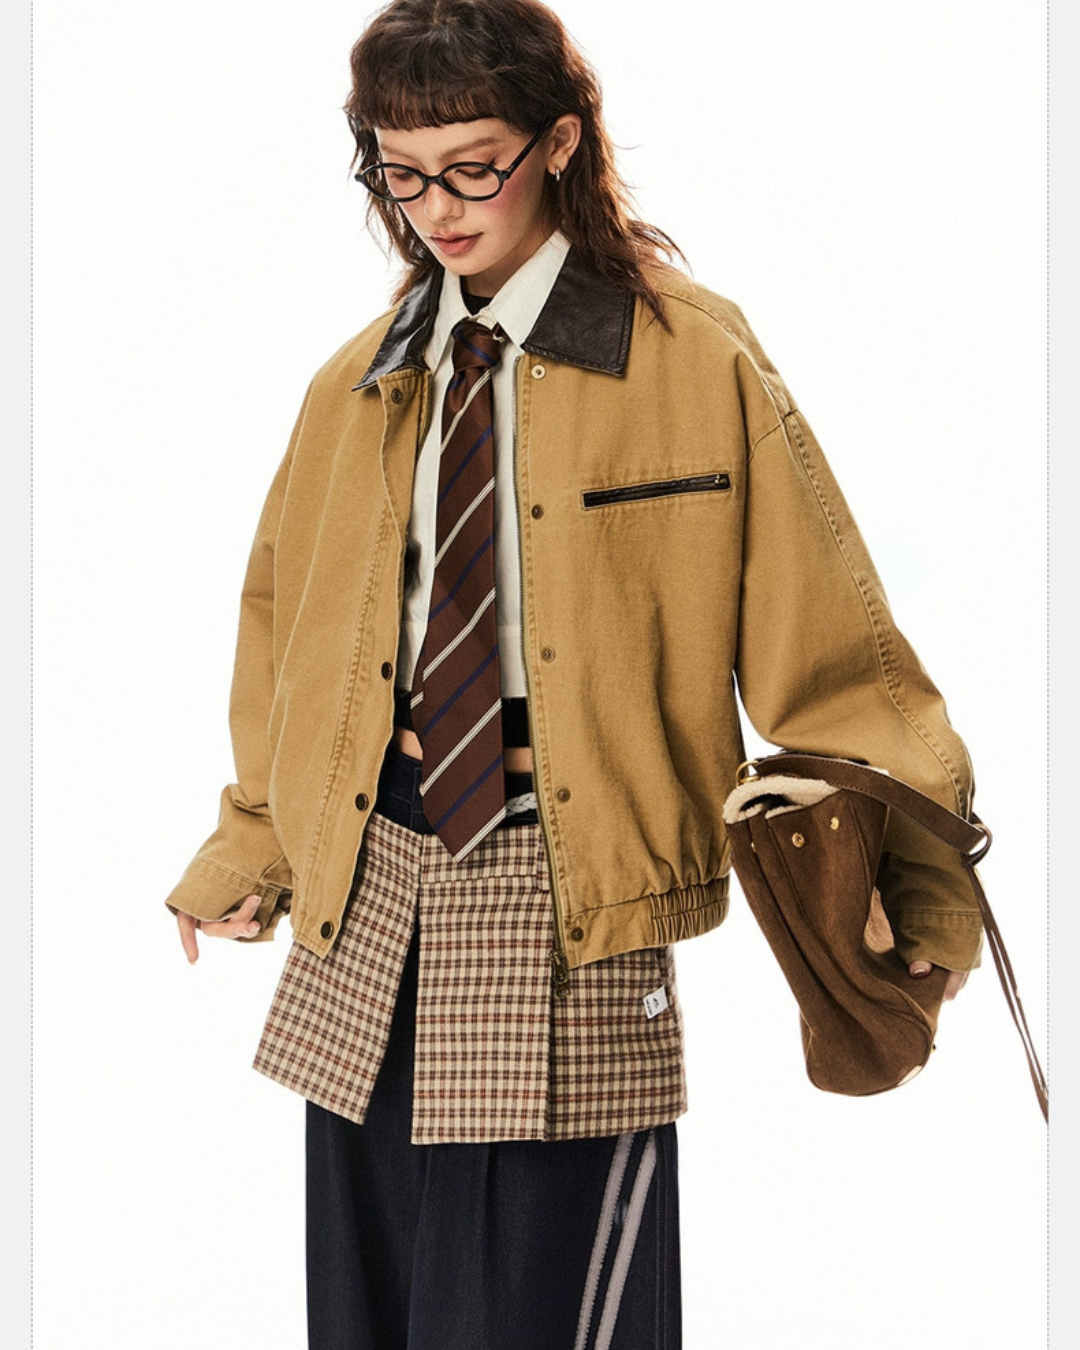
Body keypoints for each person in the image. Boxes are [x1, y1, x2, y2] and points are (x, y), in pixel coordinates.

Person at [165, 1, 981, 1346]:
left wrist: (926, 898)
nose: (437, 208)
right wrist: (254, 839)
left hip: (570, 884)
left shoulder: (692, 356)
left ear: (558, 142)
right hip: (373, 882)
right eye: (401, 172)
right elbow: (286, 634)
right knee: (369, 1308)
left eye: (472, 166)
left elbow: (835, 649)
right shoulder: (359, 385)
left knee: (550, 1313)